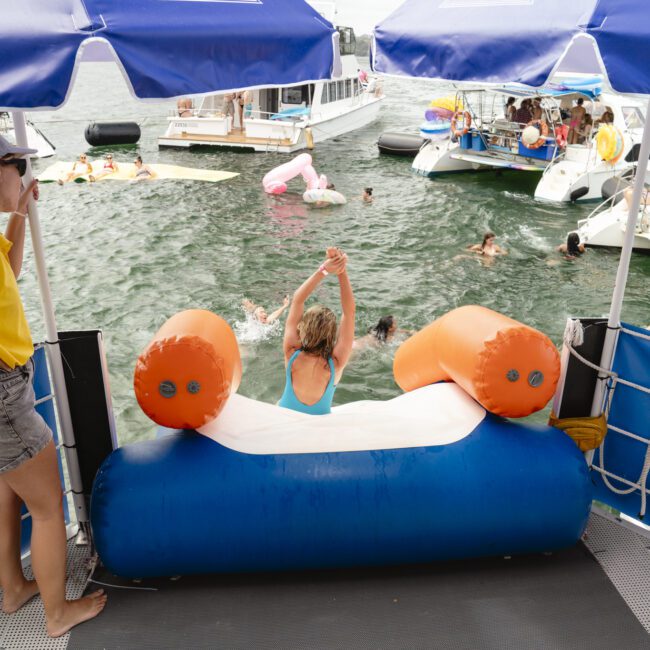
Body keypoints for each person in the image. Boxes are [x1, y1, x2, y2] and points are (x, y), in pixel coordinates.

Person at [0, 135, 107, 636]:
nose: (22, 174)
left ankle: (14, 587)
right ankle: (56, 614)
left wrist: (18, 212)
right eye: (15, 165)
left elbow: (10, 270)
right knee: (48, 509)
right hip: (5, 394)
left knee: (8, 493)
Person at [279, 247, 355, 415]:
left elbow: (297, 300)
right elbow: (349, 313)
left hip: (282, 419)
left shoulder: (291, 352)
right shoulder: (336, 362)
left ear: (303, 327)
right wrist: (341, 270)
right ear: (332, 333)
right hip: (318, 431)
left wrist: (324, 270)